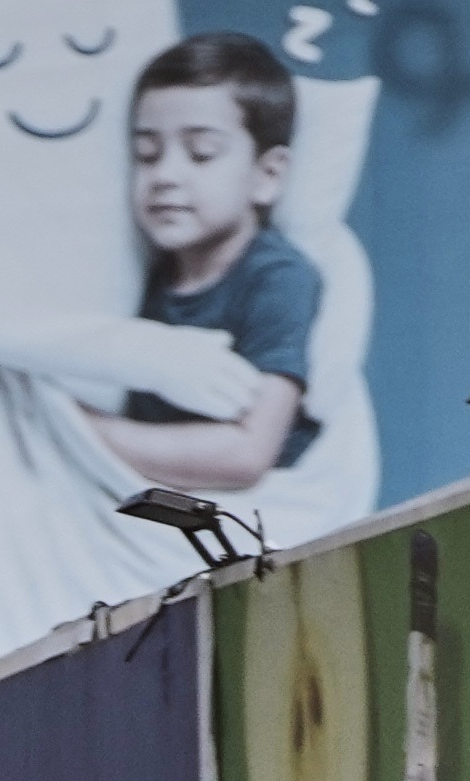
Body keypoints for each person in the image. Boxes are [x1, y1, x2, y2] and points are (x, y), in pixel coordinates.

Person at [114, 34, 322, 494]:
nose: (165, 175)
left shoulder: (278, 277)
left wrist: (88, 432)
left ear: (267, 176)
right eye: (146, 155)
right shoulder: (141, 272)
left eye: (200, 153)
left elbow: (247, 454)